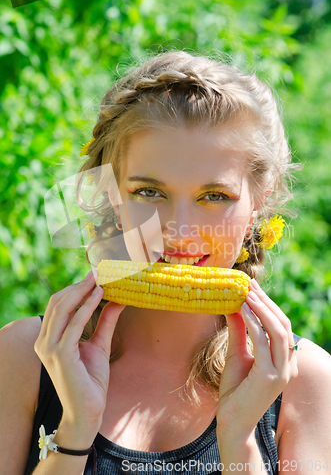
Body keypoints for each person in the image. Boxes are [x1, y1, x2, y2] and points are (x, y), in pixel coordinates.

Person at [1, 51, 330, 475]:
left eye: (214, 196)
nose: (179, 229)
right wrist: (74, 433)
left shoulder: (305, 381)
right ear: (113, 195)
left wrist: (238, 444)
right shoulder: (24, 358)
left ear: (258, 204)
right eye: (149, 193)